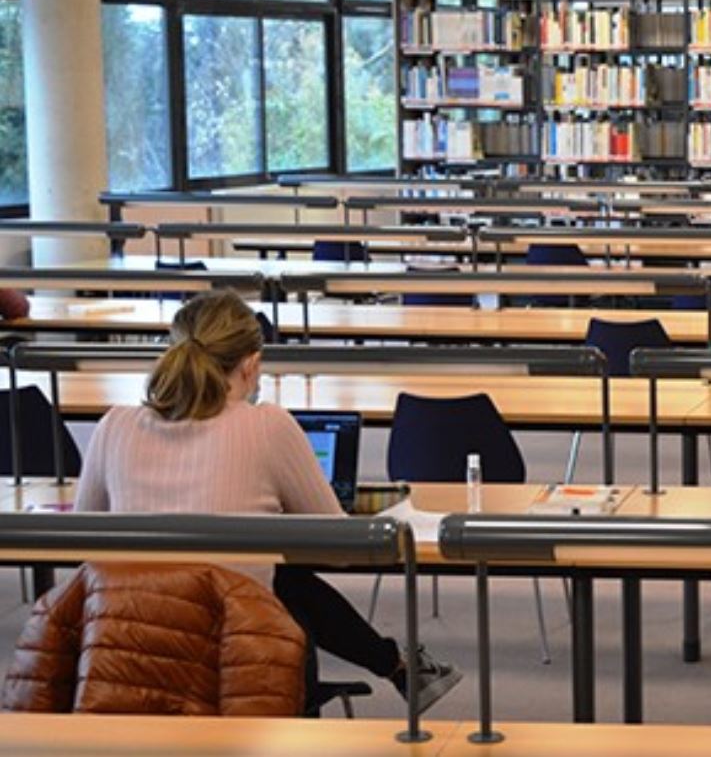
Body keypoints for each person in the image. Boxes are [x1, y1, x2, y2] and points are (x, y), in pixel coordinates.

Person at [74, 289, 462, 715]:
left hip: (123, 639)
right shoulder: (267, 425)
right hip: (234, 652)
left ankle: (399, 666)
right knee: (275, 586)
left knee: (273, 578)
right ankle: (397, 667)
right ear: (252, 363)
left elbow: (83, 542)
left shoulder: (114, 425)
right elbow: (339, 550)